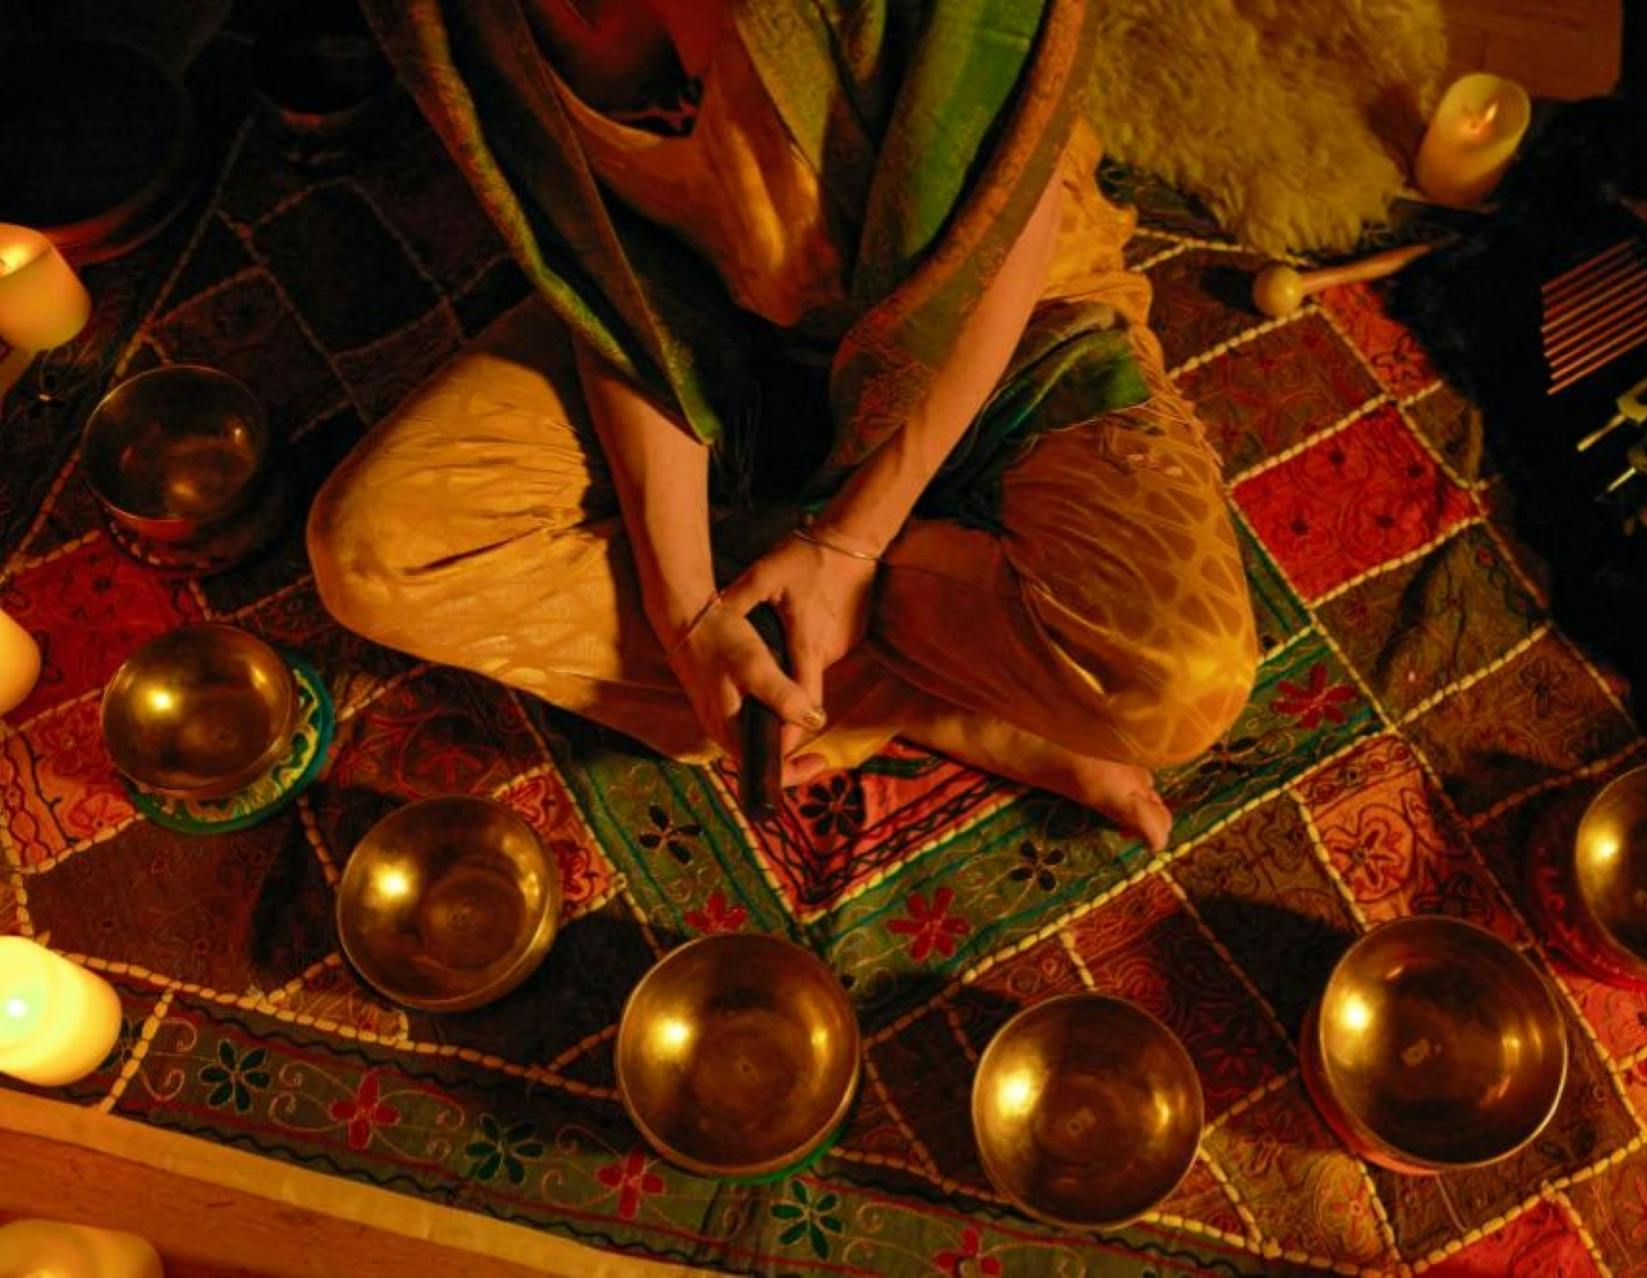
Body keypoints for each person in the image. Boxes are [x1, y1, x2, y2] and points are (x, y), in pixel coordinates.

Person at [309, 0, 1256, 850]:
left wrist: (850, 541)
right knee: (377, 553)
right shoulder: (450, 20)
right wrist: (684, 616)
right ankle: (933, 699)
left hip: (999, 325)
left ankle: (835, 637)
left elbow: (1005, 218)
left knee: (1176, 681)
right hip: (726, 350)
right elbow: (622, 303)